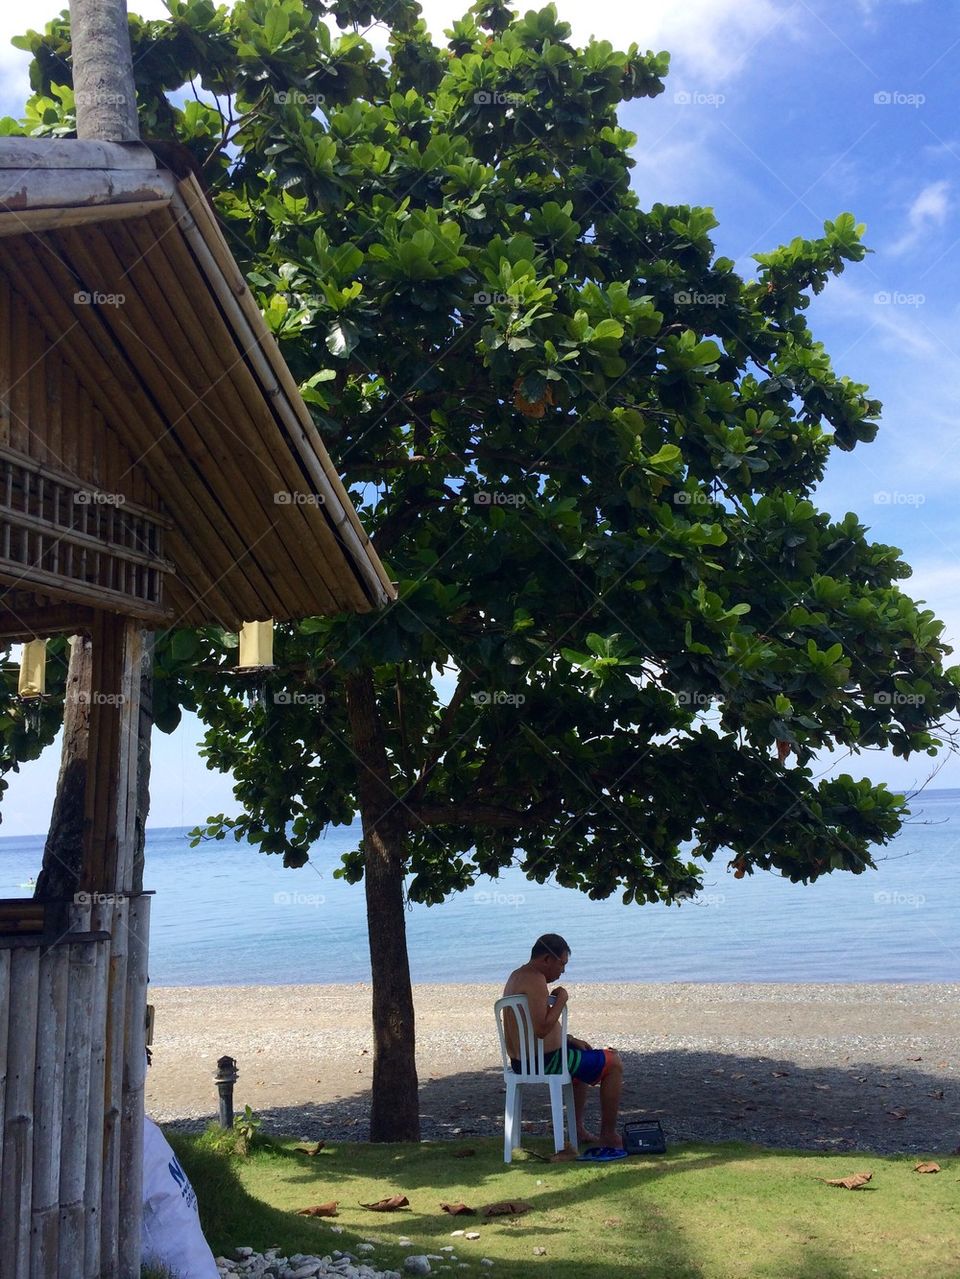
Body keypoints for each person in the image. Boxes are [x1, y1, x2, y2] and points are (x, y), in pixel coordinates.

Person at [502, 933, 623, 1149]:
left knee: (582, 1058)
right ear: (547, 959)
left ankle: (577, 1130)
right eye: (562, 964)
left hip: (523, 1060)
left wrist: (568, 1039)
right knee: (613, 1062)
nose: (563, 971)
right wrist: (562, 1000)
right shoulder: (535, 979)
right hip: (547, 1061)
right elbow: (541, 1029)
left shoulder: (517, 976)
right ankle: (608, 1135)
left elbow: (528, 1028)